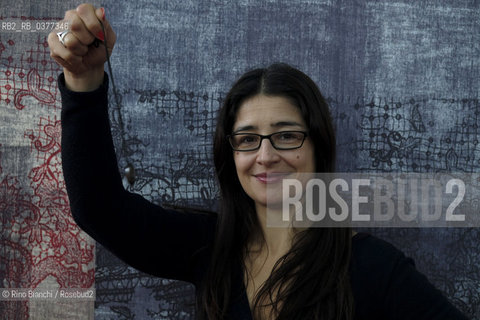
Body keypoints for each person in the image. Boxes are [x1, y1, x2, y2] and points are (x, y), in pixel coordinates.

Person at [48, 4, 470, 320]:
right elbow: (99, 208)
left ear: (318, 146)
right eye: (248, 139)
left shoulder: (374, 268)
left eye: (286, 135)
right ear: (230, 154)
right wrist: (83, 80)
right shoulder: (210, 250)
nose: (266, 156)